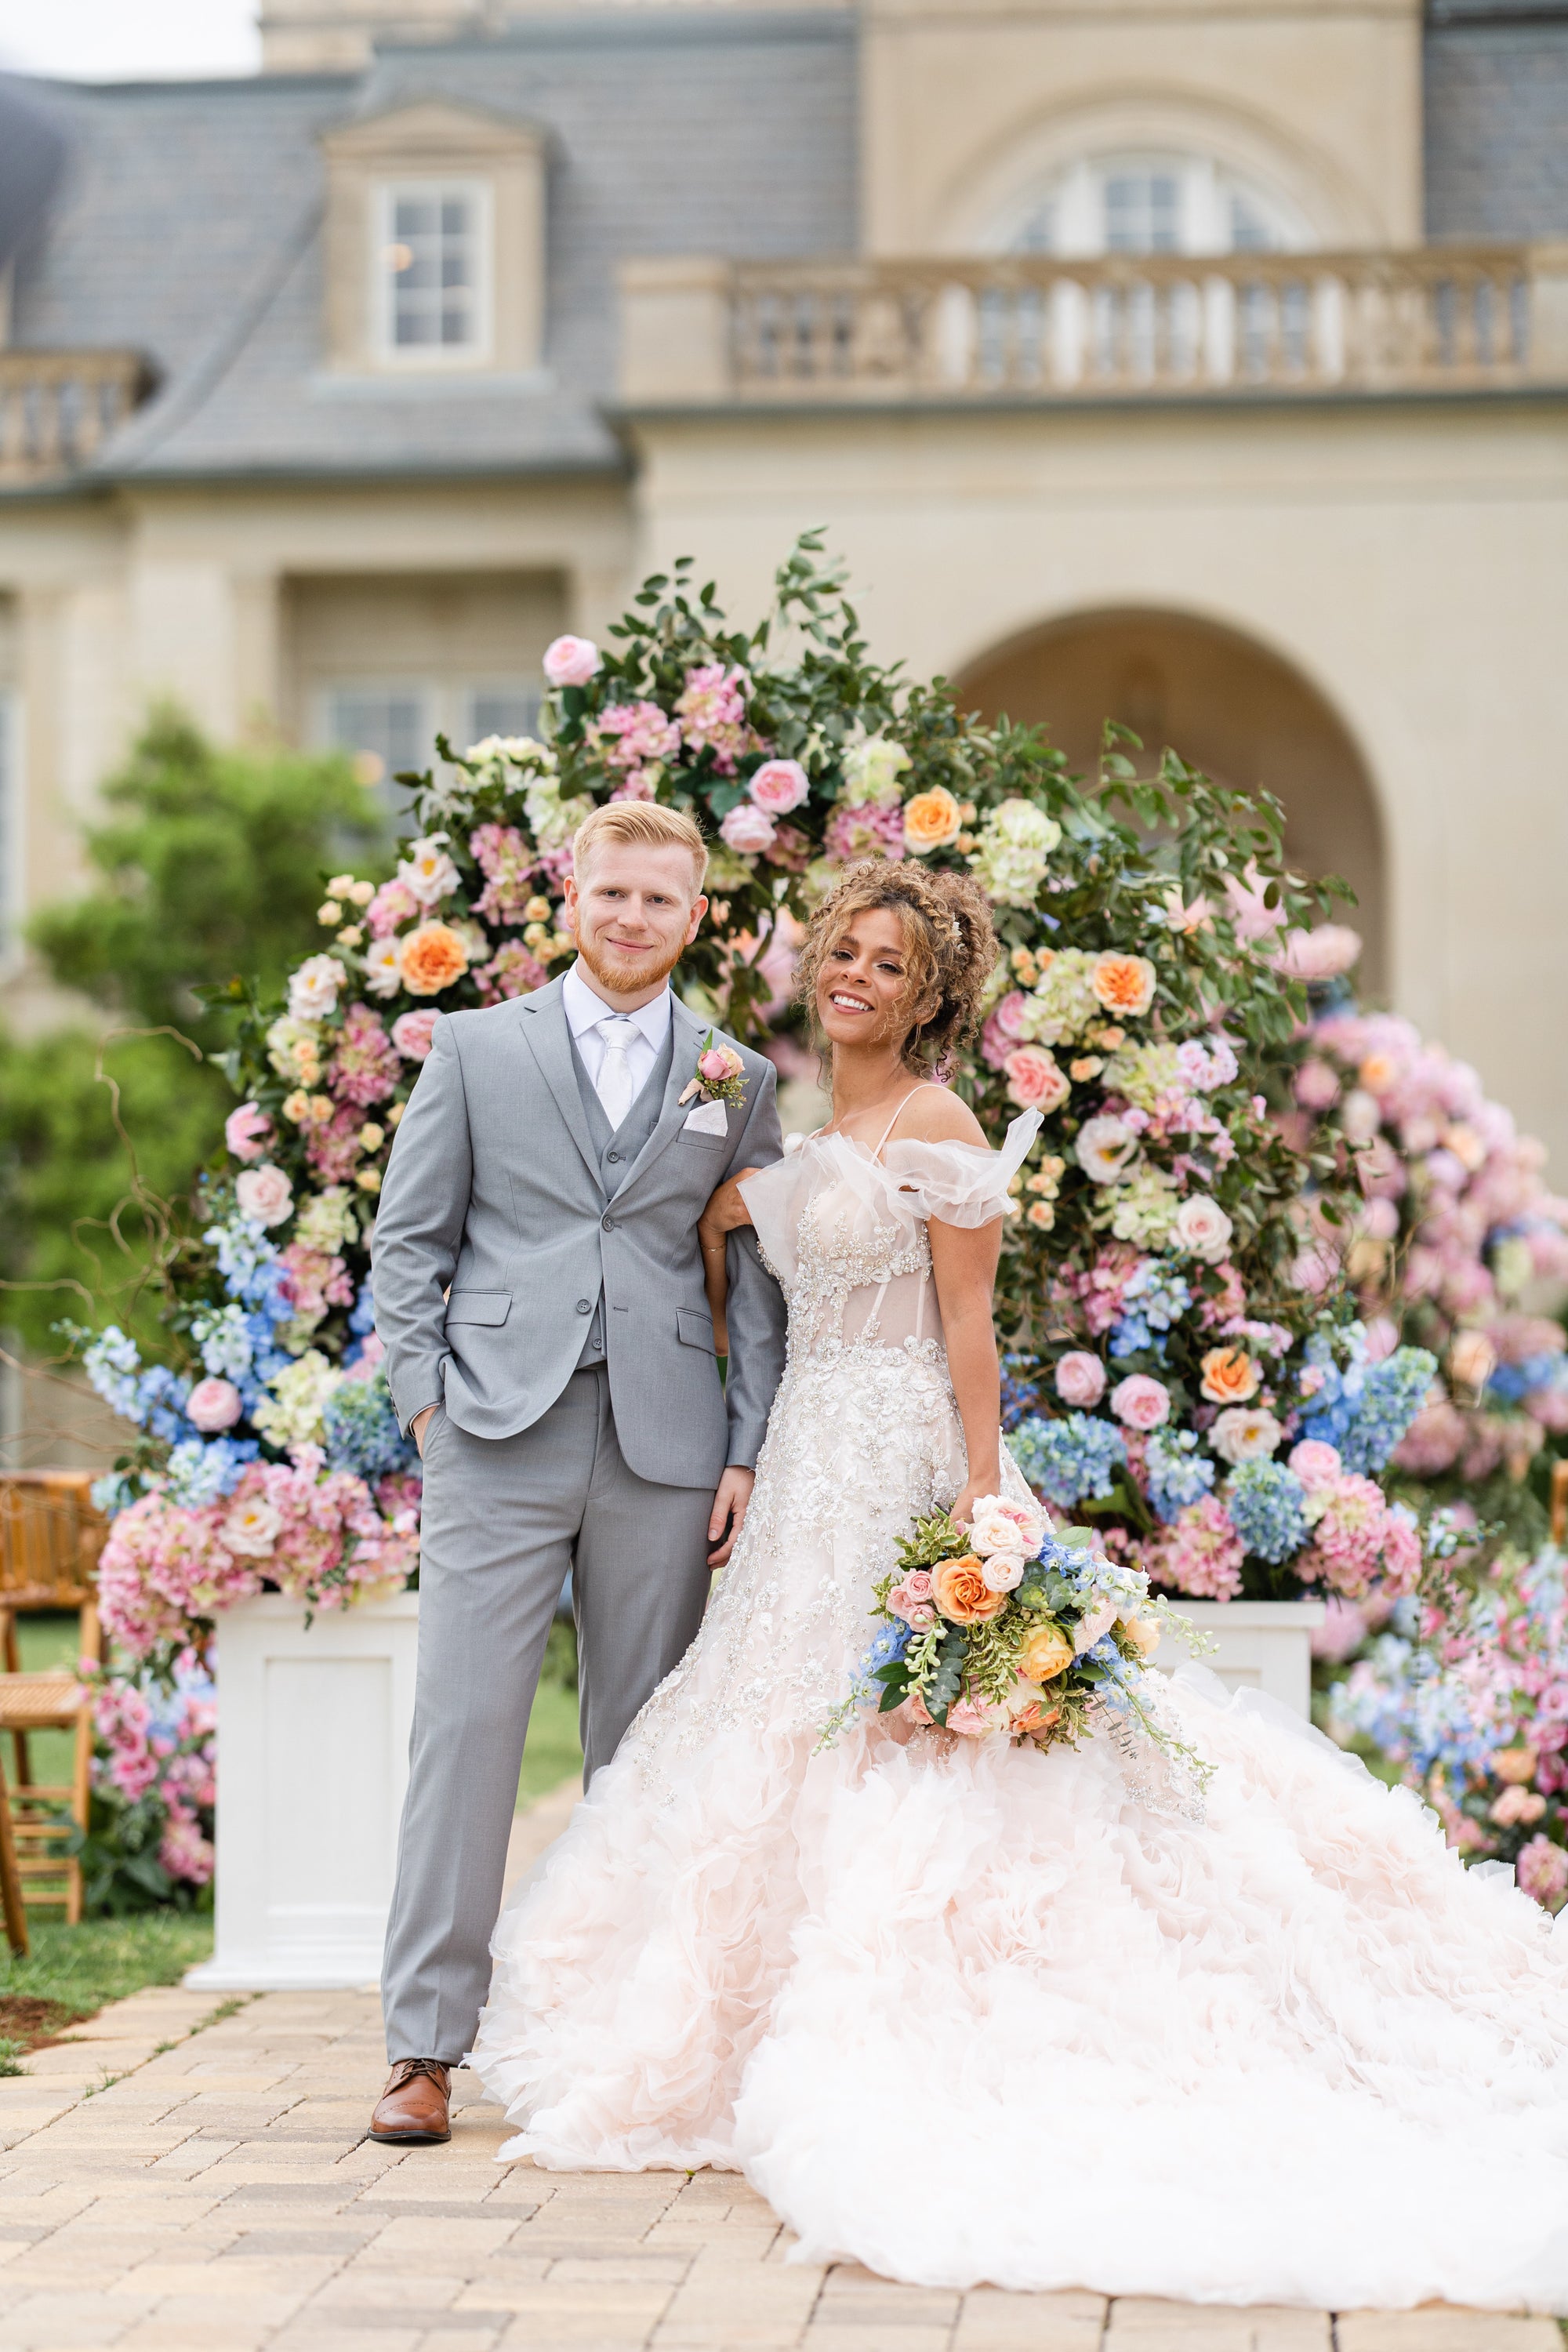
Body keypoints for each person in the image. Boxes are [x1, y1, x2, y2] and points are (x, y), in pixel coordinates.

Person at [470, 855, 1568, 2313]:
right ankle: (725, 2025)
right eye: (842, 952)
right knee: (773, 1714)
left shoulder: (937, 1123)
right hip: (807, 1460)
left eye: (889, 963)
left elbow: (968, 1332)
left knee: (908, 1739)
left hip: (908, 1454)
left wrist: (987, 1511)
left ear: (929, 999)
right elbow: (744, 1269)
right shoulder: (812, 1120)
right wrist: (737, 1225)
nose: (856, 974)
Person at [367, 800, 788, 2146]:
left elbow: (753, 1277)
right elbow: (409, 1242)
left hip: (665, 1446)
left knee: (641, 1750)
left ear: (697, 914)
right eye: (613, 893)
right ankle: (424, 2047)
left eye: (662, 900)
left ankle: (612, 2045)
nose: (633, 919)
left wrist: (744, 1447)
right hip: (493, 1433)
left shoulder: (734, 1077)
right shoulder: (480, 1048)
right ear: (572, 893)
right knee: (466, 1736)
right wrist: (428, 1407)